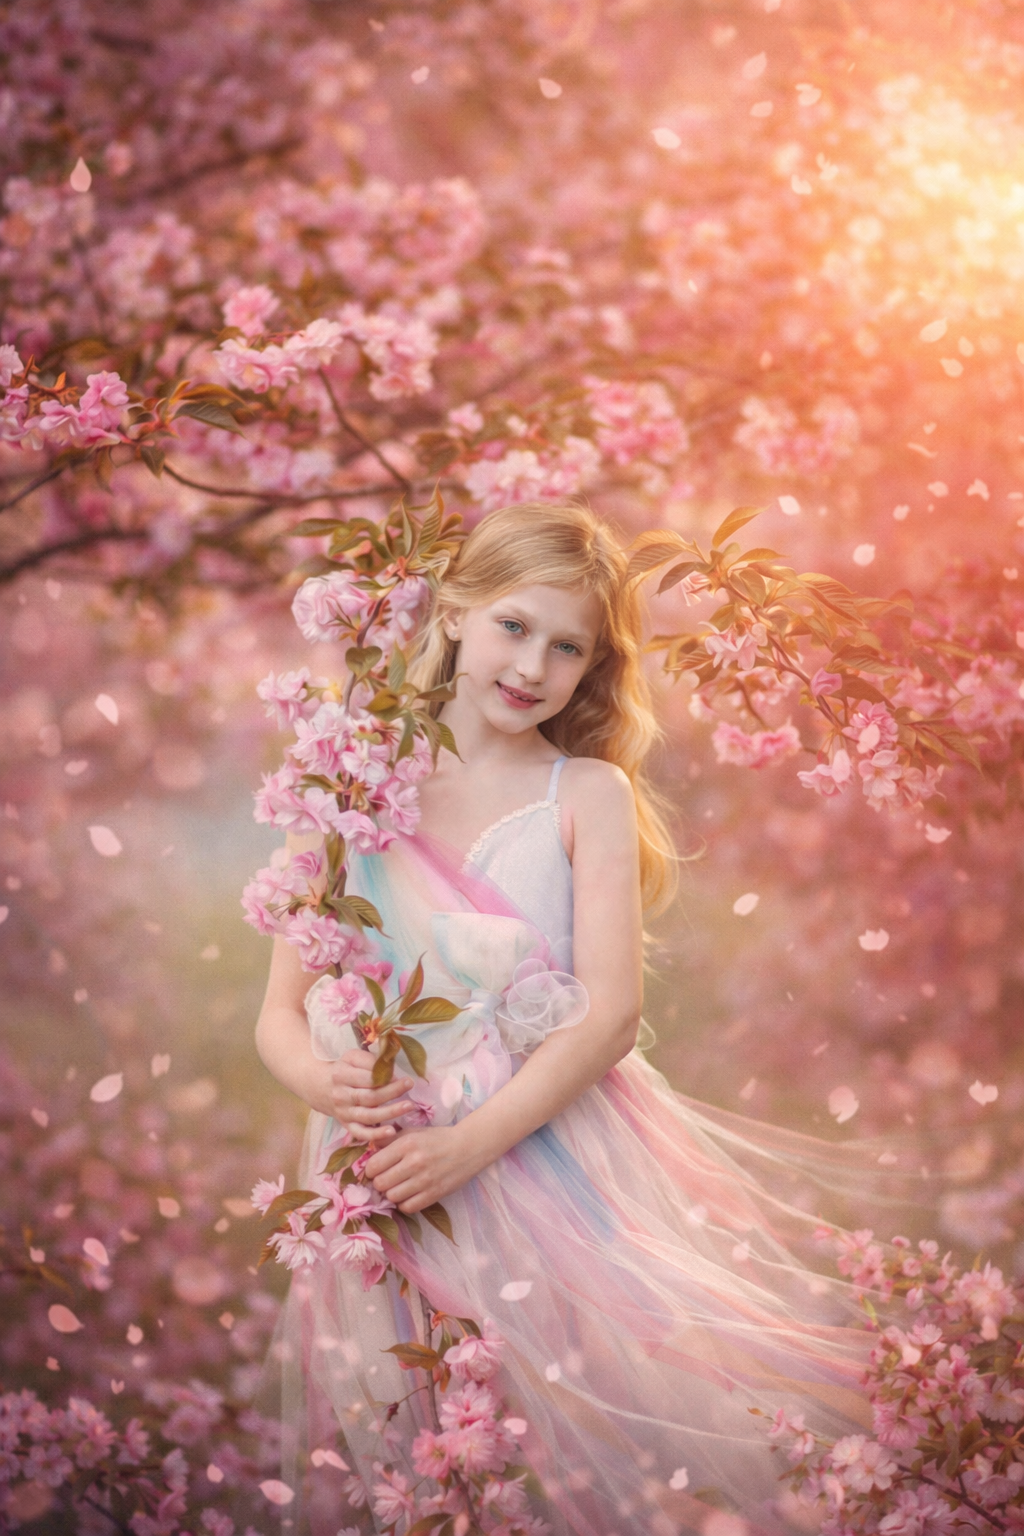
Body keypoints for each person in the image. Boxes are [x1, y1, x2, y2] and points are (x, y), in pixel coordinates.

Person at [254, 502, 883, 1536]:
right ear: (452, 612)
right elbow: (277, 1012)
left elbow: (608, 1018)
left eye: (566, 647)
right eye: (512, 625)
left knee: (592, 1429)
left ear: (590, 668)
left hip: (533, 1146)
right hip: (378, 1163)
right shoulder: (355, 778)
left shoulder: (581, 792)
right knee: (419, 1443)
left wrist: (467, 1146)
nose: (533, 663)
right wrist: (316, 1078)